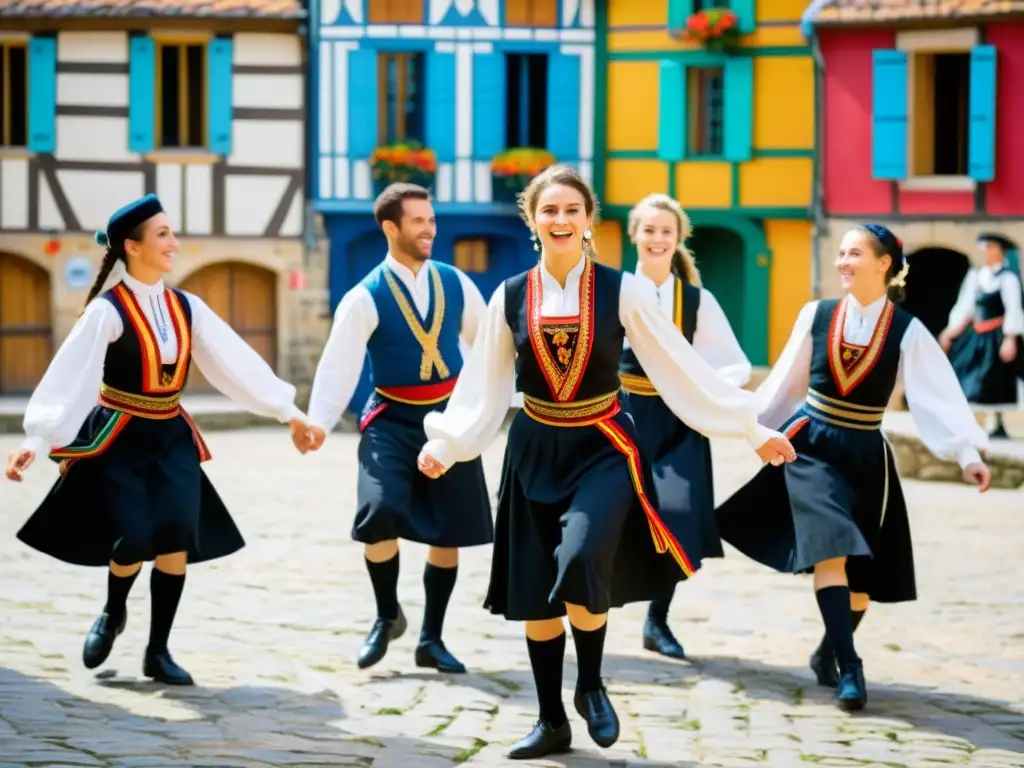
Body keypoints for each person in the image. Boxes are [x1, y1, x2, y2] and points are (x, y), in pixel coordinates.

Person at [416, 165, 796, 760]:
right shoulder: (510, 295)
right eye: (550, 211)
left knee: (584, 555)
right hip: (534, 449)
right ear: (533, 221)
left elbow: (679, 368)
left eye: (572, 210)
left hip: (604, 447)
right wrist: (447, 443)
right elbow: (483, 385)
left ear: (589, 220)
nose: (561, 220)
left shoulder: (625, 290)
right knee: (535, 593)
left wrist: (749, 427)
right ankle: (551, 722)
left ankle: (590, 683)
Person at [5, 194, 309, 685]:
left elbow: (234, 364)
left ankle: (158, 651)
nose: (174, 242)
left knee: (173, 538)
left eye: (172, 232)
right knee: (131, 538)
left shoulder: (188, 307)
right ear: (133, 246)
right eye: (163, 234)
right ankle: (112, 609)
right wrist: (37, 441)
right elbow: (72, 376)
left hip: (170, 436)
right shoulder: (107, 311)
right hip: (120, 437)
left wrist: (288, 412)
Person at [716, 224, 991, 712]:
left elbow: (937, 397)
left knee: (861, 583)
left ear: (885, 263)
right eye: (840, 252)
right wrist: (752, 427)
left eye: (854, 253)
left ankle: (828, 651)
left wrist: (966, 454)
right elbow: (785, 384)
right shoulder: (816, 315)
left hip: (866, 457)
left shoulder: (908, 330)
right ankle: (852, 665)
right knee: (832, 549)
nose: (843, 261)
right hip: (812, 447)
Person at [298, 182, 493, 675]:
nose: (429, 229)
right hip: (390, 419)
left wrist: (482, 409)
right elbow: (338, 365)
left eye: (431, 220)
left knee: (447, 531)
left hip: (446, 423)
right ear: (391, 228)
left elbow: (489, 344)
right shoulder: (364, 296)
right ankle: (387, 614)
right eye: (418, 221)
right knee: (378, 513)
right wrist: (318, 422)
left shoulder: (456, 283)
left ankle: (432, 638)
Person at [619, 194, 752, 661]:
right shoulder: (612, 291)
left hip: (679, 422)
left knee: (676, 515)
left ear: (678, 240)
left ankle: (657, 619)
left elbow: (732, 364)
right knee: (608, 516)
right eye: (649, 230)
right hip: (622, 418)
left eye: (666, 232)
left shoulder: (696, 300)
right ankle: (587, 609)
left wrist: (709, 392)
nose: (657, 239)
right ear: (634, 234)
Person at [939, 233, 1023, 439]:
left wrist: (1010, 338)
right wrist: (951, 331)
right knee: (966, 370)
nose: (984, 252)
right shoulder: (977, 276)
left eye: (988, 248)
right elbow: (966, 307)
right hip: (977, 333)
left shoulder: (1008, 278)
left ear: (998, 251)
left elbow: (1013, 309)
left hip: (996, 336)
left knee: (995, 378)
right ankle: (972, 422)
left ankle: (997, 422)